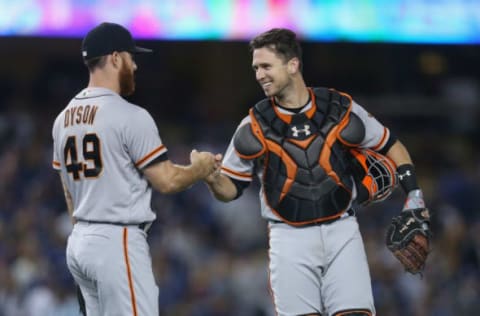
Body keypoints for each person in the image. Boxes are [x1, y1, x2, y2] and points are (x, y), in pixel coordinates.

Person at [204, 28, 430, 316]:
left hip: (342, 230)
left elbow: (390, 144)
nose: (259, 74)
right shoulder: (254, 124)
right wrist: (212, 178)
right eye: (255, 68)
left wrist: (414, 195)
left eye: (266, 66)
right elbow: (230, 189)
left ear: (293, 65)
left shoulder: (338, 107)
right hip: (289, 239)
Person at [51, 22, 220, 316]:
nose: (136, 65)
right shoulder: (129, 115)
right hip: (116, 241)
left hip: (79, 242)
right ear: (115, 58)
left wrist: (88, 239)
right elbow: (166, 181)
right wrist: (201, 168)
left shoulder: (63, 118)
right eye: (131, 57)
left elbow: (68, 191)